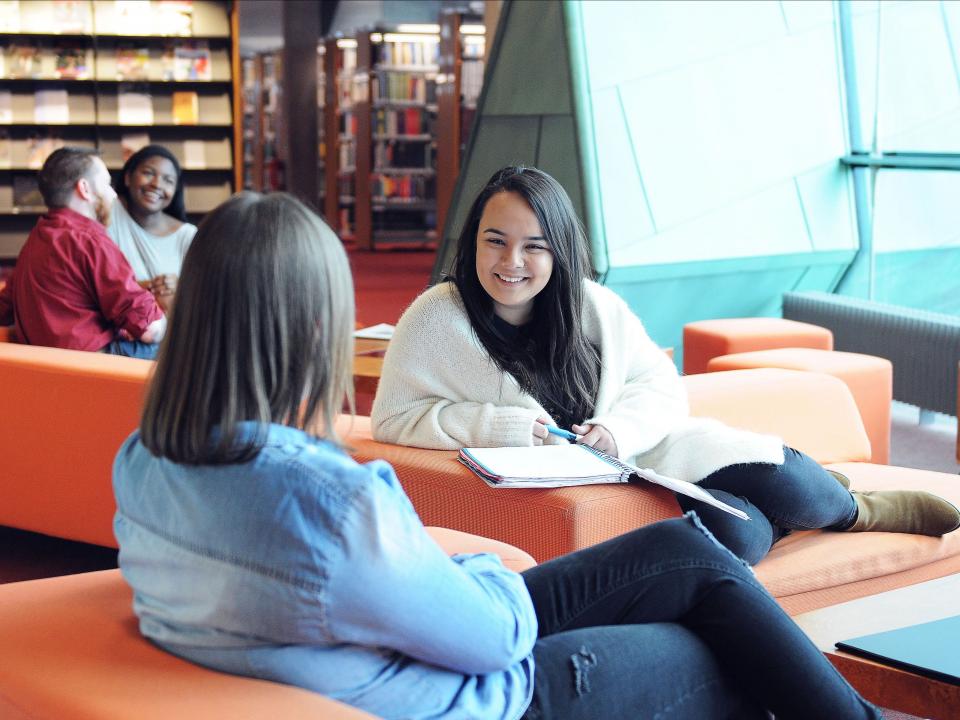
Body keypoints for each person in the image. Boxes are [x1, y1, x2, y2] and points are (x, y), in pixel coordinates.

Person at [113, 191, 883, 719]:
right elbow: (494, 637)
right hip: (479, 691)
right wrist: (480, 568)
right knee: (717, 647)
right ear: (313, 333)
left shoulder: (145, 458)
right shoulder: (330, 500)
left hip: (385, 638)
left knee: (690, 554)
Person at [371, 166, 959, 566]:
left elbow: (657, 384)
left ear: (560, 250)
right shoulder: (438, 318)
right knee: (740, 535)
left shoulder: (591, 305)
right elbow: (394, 419)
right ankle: (804, 512)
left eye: (534, 246)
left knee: (779, 474)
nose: (511, 262)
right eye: (494, 241)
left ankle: (855, 510)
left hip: (647, 452)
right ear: (471, 240)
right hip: (594, 480)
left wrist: (617, 430)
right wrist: (495, 426)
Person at [0, 147, 165, 359]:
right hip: (95, 364)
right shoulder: (90, 240)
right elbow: (149, 329)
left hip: (48, 371)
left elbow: (4, 308)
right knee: (179, 343)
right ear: (84, 189)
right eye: (106, 184)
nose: (113, 194)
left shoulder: (35, 241)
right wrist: (167, 323)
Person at [108, 144, 197, 312]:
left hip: (167, 333)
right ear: (128, 177)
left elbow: (202, 293)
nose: (157, 184)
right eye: (148, 173)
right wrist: (151, 286)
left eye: (168, 180)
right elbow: (98, 283)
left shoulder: (187, 235)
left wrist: (179, 287)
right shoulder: (108, 212)